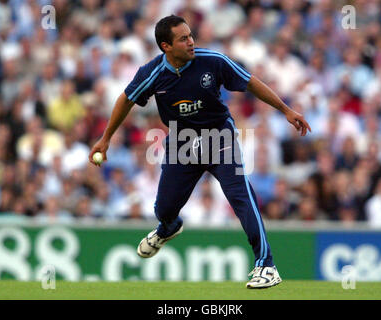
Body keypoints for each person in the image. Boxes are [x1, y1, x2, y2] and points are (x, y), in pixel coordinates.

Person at [89, 15, 311, 289]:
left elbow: (250, 82)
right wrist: (106, 138)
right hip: (182, 143)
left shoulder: (212, 61)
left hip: (219, 137)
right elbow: (126, 99)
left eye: (191, 35)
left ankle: (266, 265)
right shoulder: (152, 73)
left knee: (240, 195)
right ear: (165, 46)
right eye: (183, 39)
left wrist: (286, 110)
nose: (191, 42)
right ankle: (168, 228)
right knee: (164, 208)